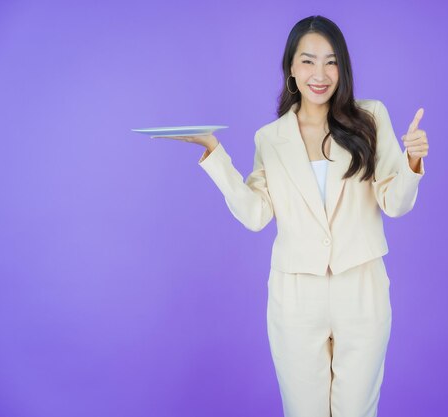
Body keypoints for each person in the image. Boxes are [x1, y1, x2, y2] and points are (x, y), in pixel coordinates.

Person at [160, 15, 429, 417]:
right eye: (308, 60)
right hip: (295, 296)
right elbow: (255, 214)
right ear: (291, 67)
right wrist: (213, 151)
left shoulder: (370, 118)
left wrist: (411, 160)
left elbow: (395, 203)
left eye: (331, 61)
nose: (320, 73)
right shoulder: (270, 138)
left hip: (362, 288)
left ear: (343, 67)